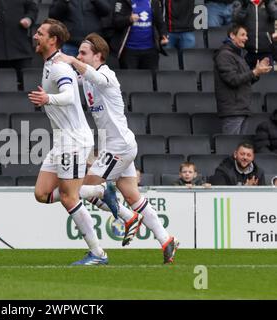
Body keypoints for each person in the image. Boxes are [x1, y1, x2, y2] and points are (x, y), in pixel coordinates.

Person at [55, 32, 179, 264]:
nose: (78, 56)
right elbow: (70, 79)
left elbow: (94, 78)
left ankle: (125, 217)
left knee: (79, 189)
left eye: (83, 53)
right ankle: (166, 238)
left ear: (98, 56)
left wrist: (71, 61)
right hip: (116, 145)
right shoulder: (87, 78)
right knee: (133, 196)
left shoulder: (107, 74)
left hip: (118, 146)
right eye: (78, 52)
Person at [28, 19, 109, 266]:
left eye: (40, 33)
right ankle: (96, 191)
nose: (35, 36)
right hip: (62, 140)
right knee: (41, 194)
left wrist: (47, 98)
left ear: (52, 40)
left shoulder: (59, 67)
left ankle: (98, 253)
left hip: (73, 140)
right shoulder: (51, 63)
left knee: (68, 198)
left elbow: (67, 96)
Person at [214, 24, 272, 134]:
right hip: (233, 110)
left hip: (241, 108)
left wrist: (257, 72)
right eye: (242, 35)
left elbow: (245, 80)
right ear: (232, 35)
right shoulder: (224, 55)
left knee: (239, 145)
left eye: (246, 35)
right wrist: (254, 71)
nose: (246, 38)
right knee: (230, 146)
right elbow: (233, 80)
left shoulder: (238, 55)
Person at [111, 0, 169, 70]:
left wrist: (164, 35)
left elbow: (160, 22)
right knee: (130, 79)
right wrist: (129, 19)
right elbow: (116, 21)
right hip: (129, 51)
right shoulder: (122, 2)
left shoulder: (154, 2)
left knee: (150, 78)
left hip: (151, 51)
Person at [0, 0, 38, 90]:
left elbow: (32, 8)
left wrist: (29, 19)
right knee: (1, 88)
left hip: (20, 47)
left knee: (28, 86)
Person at [232, 0, 277, 69]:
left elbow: (275, 15)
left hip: (266, 51)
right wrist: (244, 6)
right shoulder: (240, 2)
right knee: (245, 77)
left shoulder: (271, 2)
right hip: (246, 52)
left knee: (267, 78)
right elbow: (236, 19)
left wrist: (267, 4)